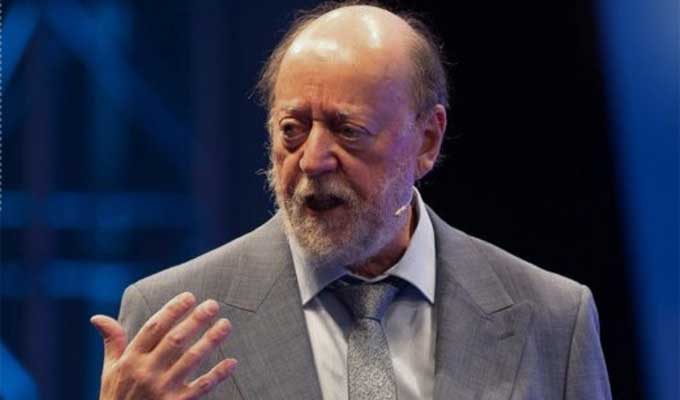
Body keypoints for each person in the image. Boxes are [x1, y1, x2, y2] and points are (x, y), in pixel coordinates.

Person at [90, 2, 612, 399]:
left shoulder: (553, 318)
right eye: (292, 129)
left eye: (348, 130)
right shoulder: (171, 322)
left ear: (427, 140)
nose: (313, 160)